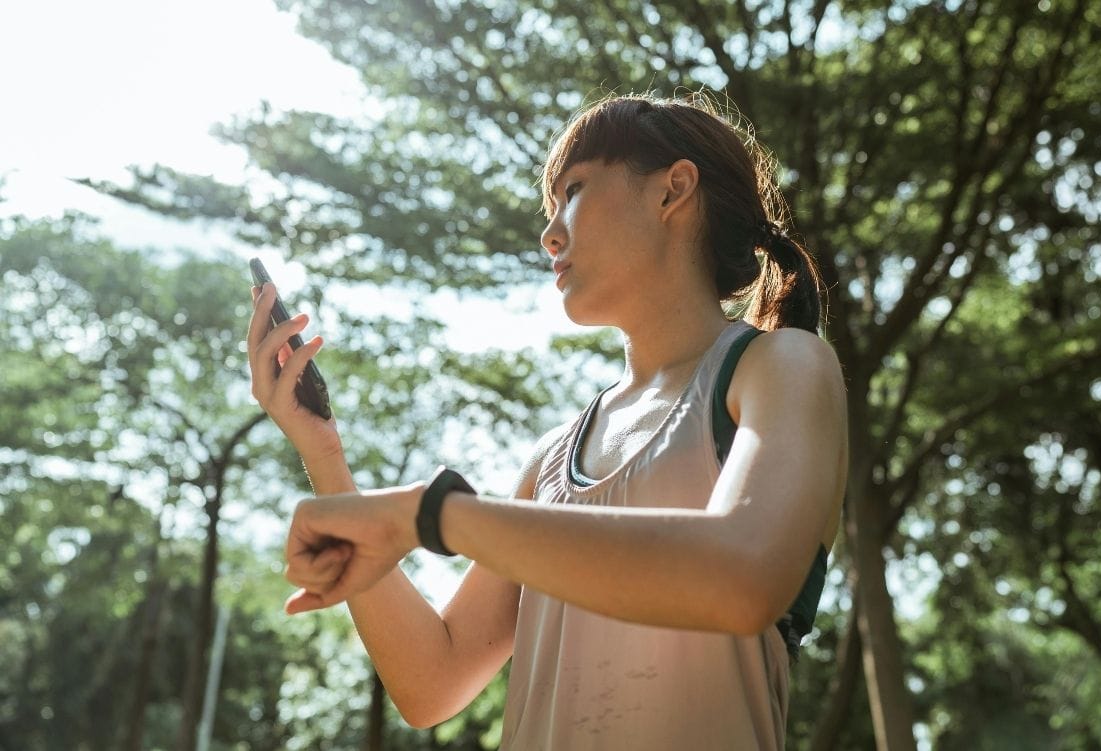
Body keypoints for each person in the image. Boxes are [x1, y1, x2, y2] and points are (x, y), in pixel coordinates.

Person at [247, 92, 848, 750]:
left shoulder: (782, 366)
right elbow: (431, 682)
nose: (550, 233)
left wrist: (431, 515)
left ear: (672, 190)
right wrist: (324, 453)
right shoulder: (555, 457)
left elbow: (743, 577)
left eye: (574, 190)